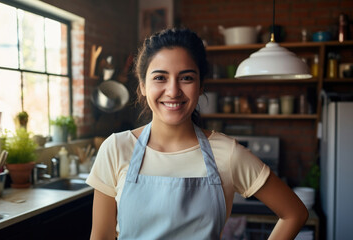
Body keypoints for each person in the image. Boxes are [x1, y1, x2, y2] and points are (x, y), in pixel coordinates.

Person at [86, 28, 308, 240]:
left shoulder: (227, 153)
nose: (173, 91)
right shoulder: (116, 148)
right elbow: (102, 236)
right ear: (143, 86)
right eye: (160, 78)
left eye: (186, 78)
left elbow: (294, 213)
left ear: (201, 86)